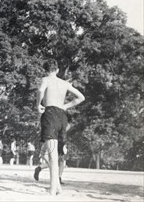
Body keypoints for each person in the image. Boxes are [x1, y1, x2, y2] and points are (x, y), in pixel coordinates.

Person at [36, 59, 85, 196]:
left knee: (52, 154)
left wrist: (38, 104)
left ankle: (52, 190)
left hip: (50, 114)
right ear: (57, 70)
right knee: (56, 154)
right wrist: (65, 106)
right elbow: (81, 97)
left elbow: (40, 90)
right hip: (62, 117)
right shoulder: (64, 83)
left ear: (46, 70)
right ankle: (57, 187)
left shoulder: (45, 79)